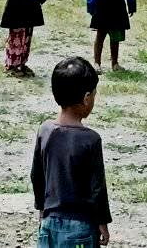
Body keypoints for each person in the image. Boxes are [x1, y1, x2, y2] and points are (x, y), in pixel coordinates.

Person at [31, 57, 113, 248]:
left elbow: (37, 175)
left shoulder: (45, 131)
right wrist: (102, 221)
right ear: (86, 98)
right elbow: (97, 187)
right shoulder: (91, 139)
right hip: (81, 227)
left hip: (49, 223)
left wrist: (41, 208)